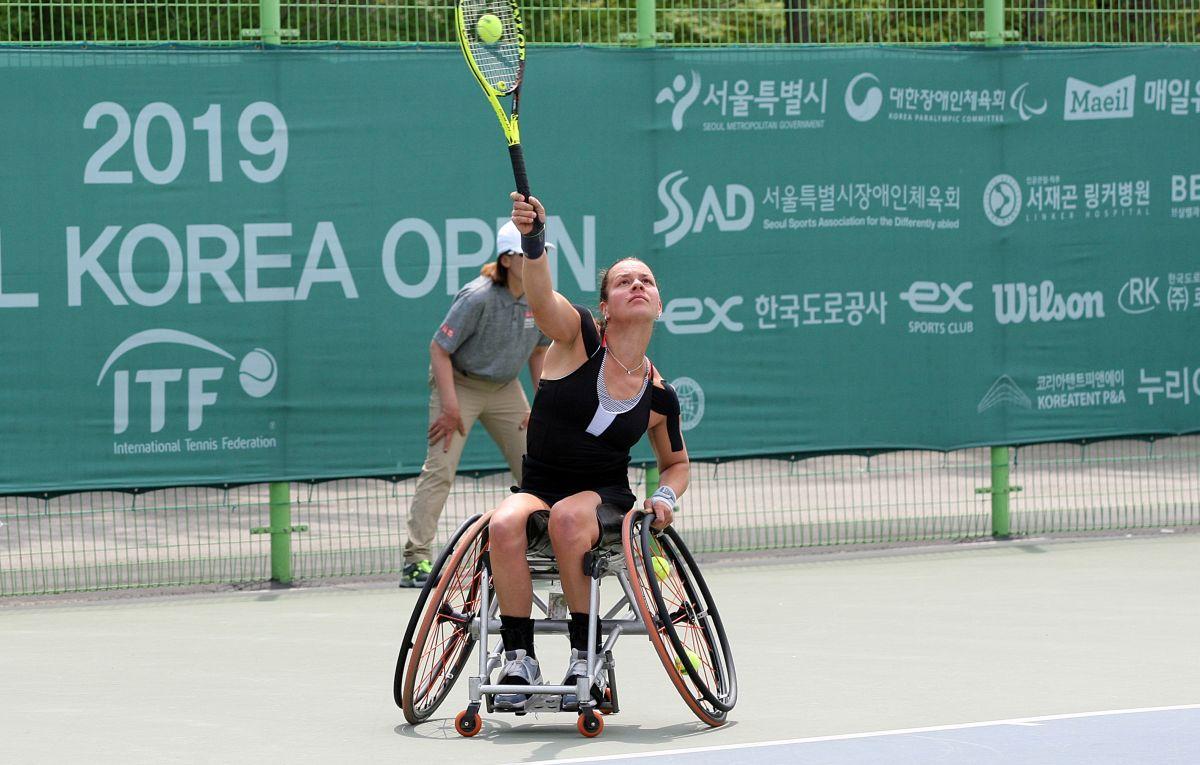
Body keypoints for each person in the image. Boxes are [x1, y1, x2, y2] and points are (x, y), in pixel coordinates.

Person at [487, 191, 689, 711]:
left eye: (646, 280)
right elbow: (540, 299)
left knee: (571, 520)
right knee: (504, 522)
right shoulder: (576, 336)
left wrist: (666, 494)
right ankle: (517, 658)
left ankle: (586, 653)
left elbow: (676, 463)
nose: (637, 285)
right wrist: (535, 241)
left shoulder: (659, 395)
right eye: (624, 281)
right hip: (540, 486)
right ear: (605, 305)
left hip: (605, 499)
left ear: (659, 304)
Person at [400, 222, 552, 588]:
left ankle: (546, 549)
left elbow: (538, 350)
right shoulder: (477, 297)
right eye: (528, 252)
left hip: (505, 388)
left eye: (540, 251)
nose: (538, 257)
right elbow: (439, 348)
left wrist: (542, 403)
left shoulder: (539, 296)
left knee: (537, 467)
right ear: (508, 258)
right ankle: (415, 561)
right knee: (440, 468)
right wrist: (450, 407)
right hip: (460, 384)